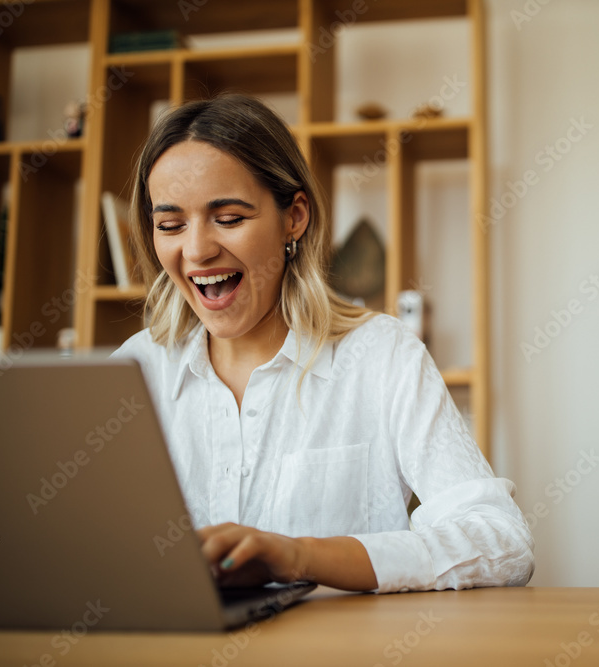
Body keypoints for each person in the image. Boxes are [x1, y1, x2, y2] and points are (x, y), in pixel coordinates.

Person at [111, 94, 534, 593]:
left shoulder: (381, 355)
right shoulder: (132, 371)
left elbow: (503, 544)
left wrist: (301, 555)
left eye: (228, 218)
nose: (198, 250)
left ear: (295, 217)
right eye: (170, 225)